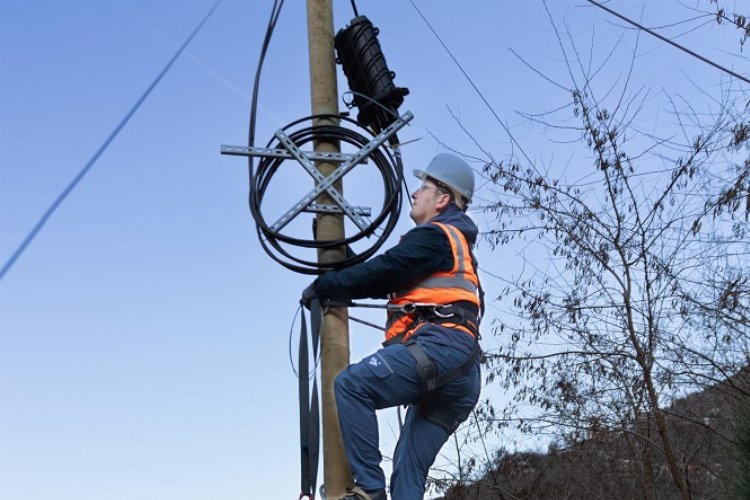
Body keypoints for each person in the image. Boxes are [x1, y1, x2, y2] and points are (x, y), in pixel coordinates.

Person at [301, 153, 483, 500]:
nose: (415, 194)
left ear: (443, 199)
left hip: (441, 349)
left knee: (352, 385)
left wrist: (325, 286)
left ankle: (369, 491)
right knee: (408, 467)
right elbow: (393, 277)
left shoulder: (438, 236)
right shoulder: (456, 245)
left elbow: (385, 269)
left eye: (424, 187)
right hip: (462, 373)